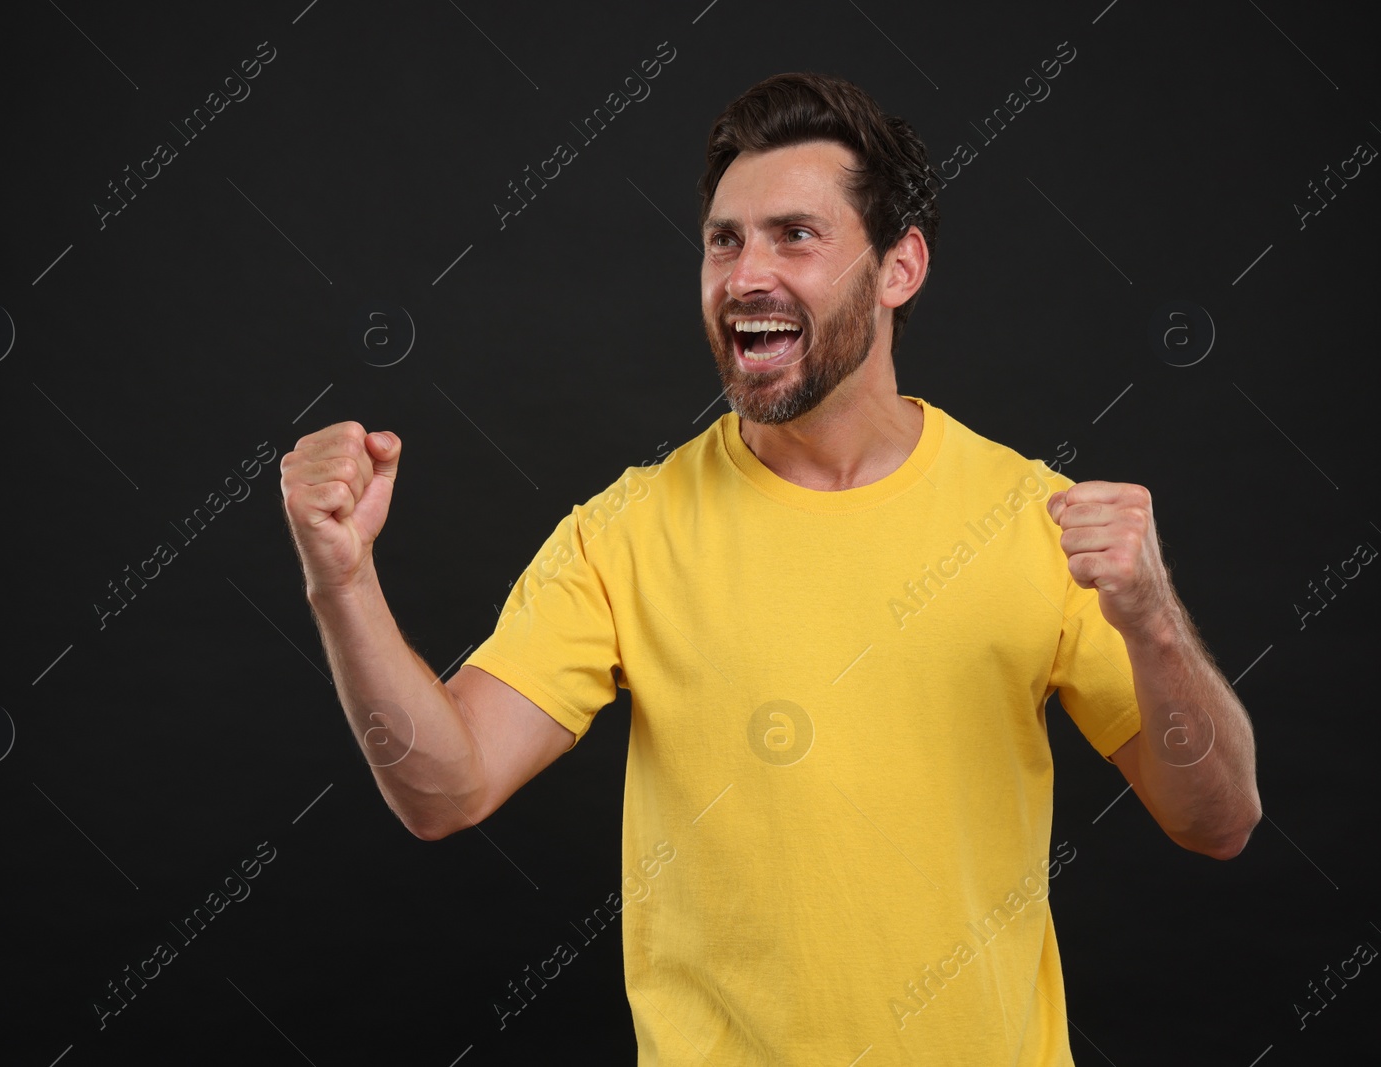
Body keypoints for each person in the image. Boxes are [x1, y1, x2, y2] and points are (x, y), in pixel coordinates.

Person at [277, 71, 1261, 1066]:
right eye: (723, 239)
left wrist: (1152, 620)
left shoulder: (1031, 521)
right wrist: (342, 581)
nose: (745, 273)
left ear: (898, 266)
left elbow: (1217, 819)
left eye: (794, 234)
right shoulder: (625, 533)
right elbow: (445, 788)